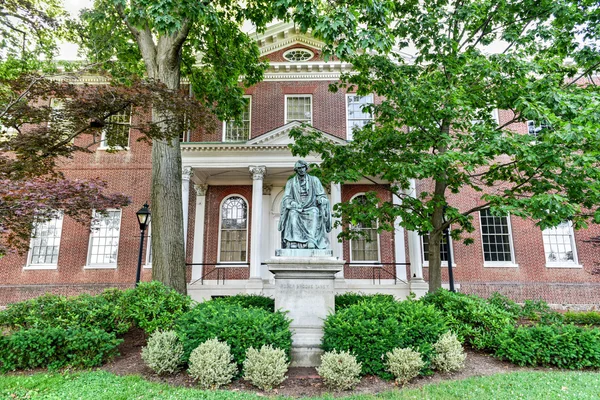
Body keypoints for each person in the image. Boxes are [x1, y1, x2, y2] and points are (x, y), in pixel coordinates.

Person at [278, 160, 331, 249]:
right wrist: (292, 202)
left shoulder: (314, 180)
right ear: (296, 170)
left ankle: (311, 240)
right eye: (299, 168)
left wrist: (321, 199)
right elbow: (286, 198)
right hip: (297, 207)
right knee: (292, 213)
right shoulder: (290, 182)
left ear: (306, 168)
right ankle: (294, 241)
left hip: (311, 207)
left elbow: (321, 195)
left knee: (314, 212)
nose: (301, 170)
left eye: (303, 167)